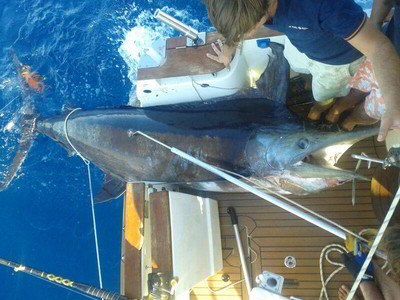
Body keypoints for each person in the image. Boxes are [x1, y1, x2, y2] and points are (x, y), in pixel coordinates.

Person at [203, 0, 400, 142]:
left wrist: (394, 102)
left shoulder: (324, 6)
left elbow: (379, 48)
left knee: (323, 94)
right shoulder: (253, 6)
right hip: (301, 44)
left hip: (337, 62)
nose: (243, 35)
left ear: (262, 15)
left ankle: (325, 107)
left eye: (248, 29)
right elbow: (239, 20)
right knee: (296, 66)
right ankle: (316, 95)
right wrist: (229, 49)